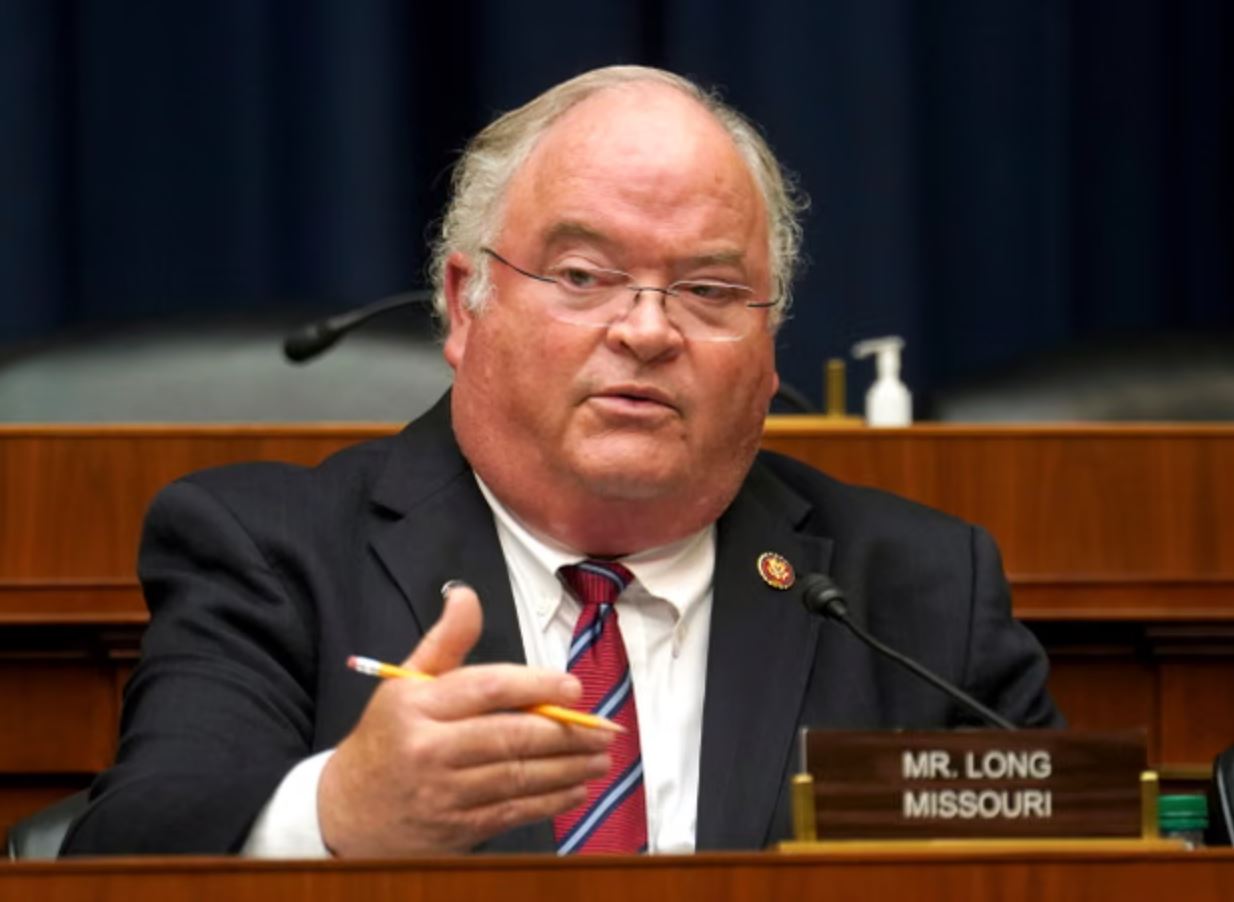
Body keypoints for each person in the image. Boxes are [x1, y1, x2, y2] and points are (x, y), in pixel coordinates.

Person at [61, 65, 1060, 858]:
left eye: (710, 290)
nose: (647, 330)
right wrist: (337, 810)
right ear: (465, 305)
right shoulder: (274, 555)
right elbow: (124, 851)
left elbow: (1068, 854)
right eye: (583, 275)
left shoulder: (916, 593)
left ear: (768, 353)